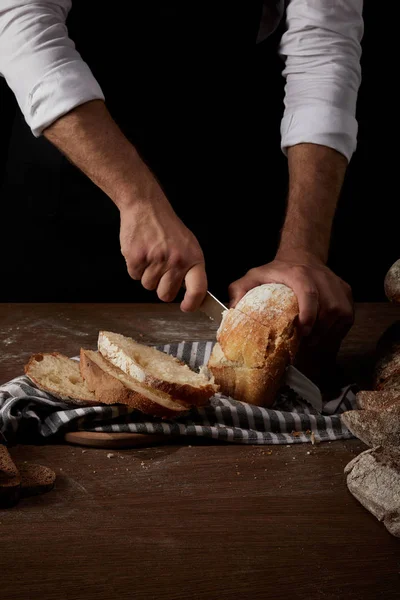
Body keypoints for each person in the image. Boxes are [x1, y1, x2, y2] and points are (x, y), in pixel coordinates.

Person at [0, 1, 363, 376]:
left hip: (226, 174)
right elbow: (22, 19)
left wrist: (302, 251)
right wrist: (137, 199)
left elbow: (324, 51)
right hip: (72, 175)